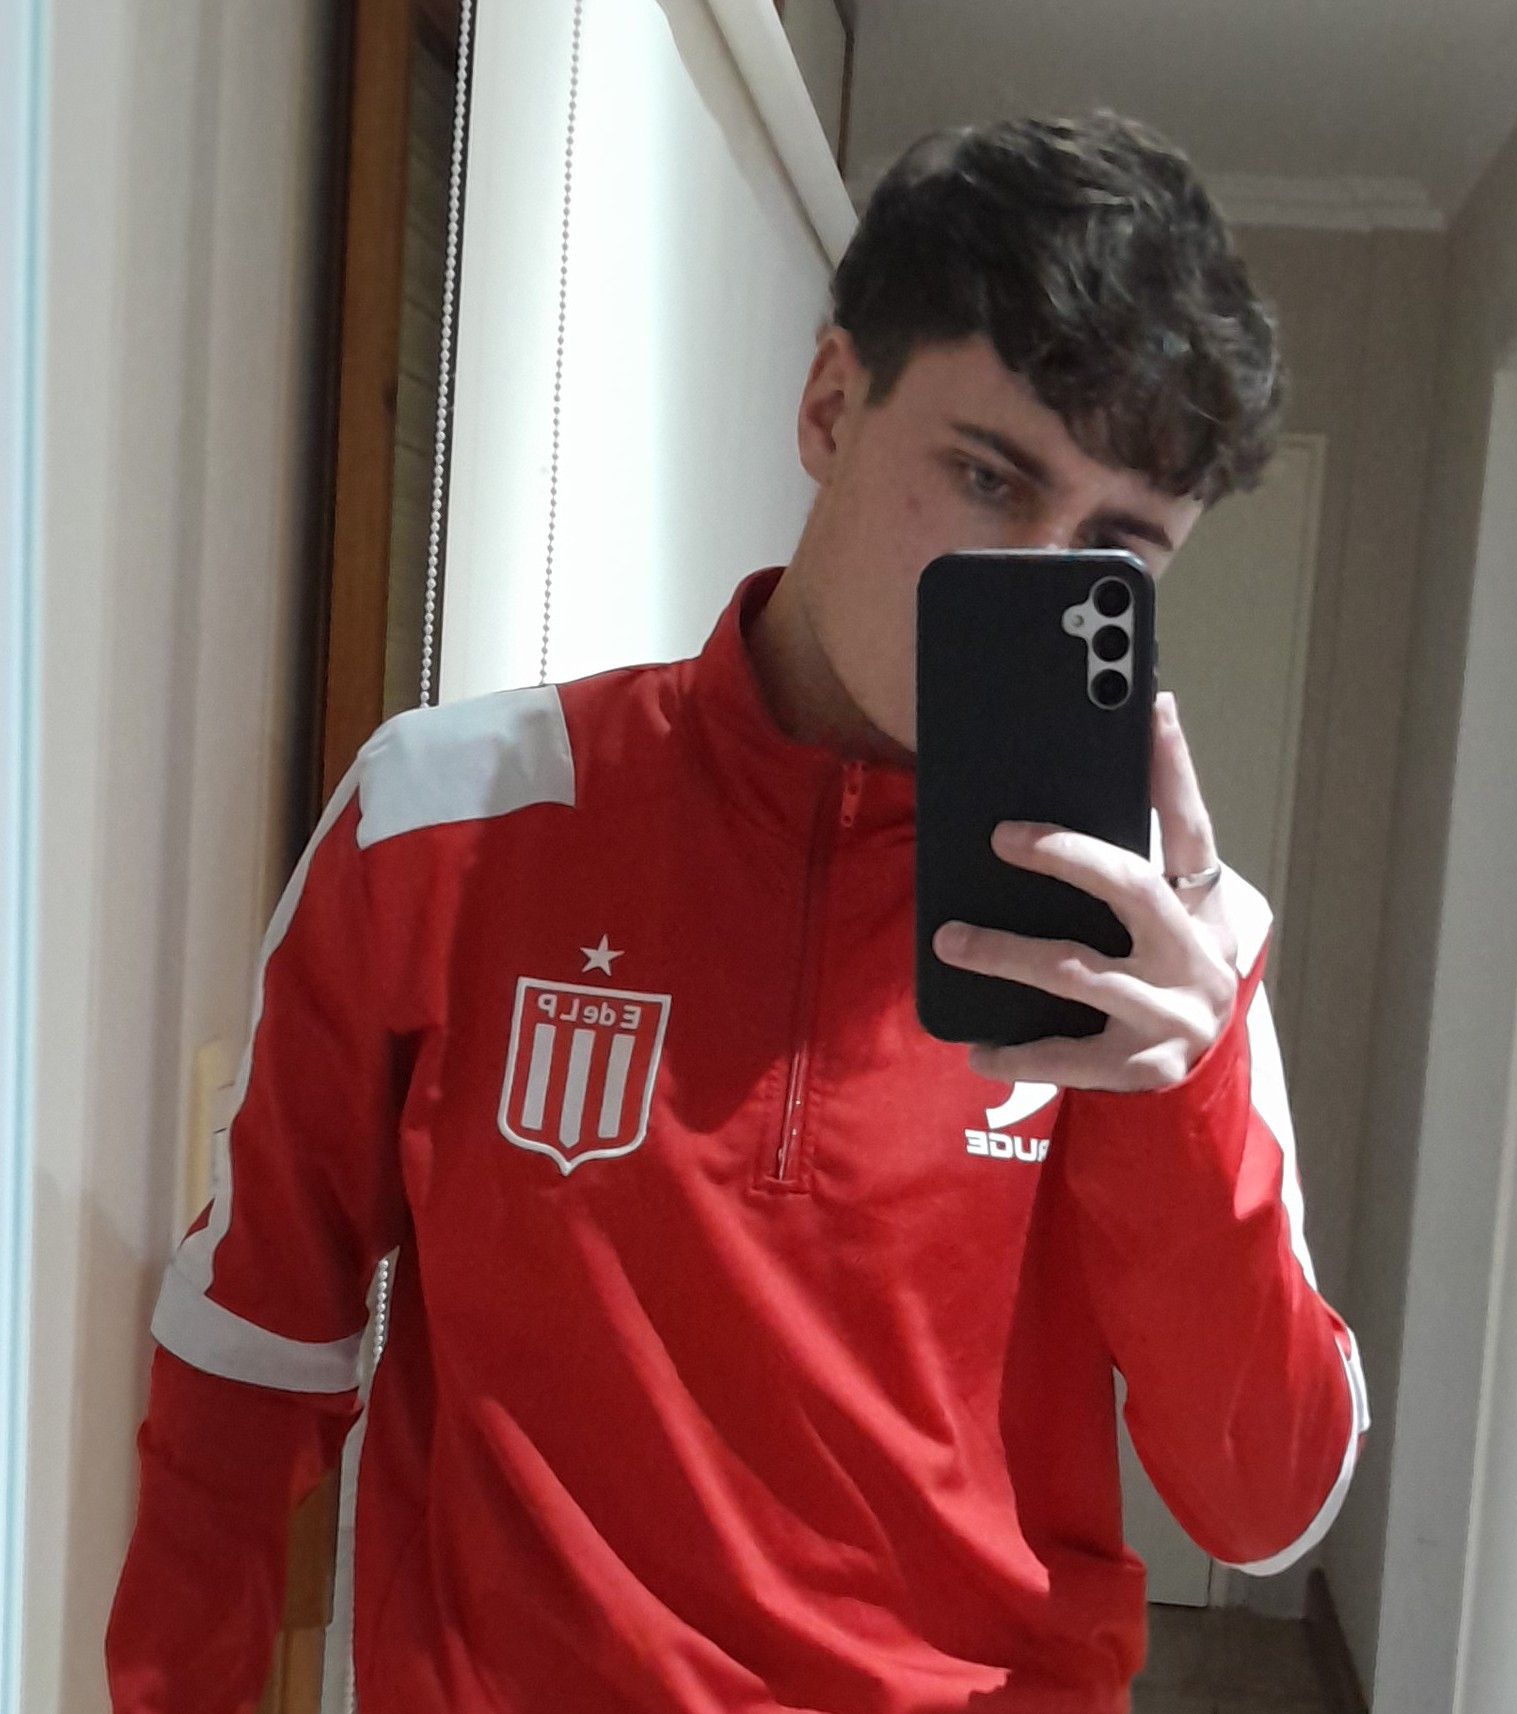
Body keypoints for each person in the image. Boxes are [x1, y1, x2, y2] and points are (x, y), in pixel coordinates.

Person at [108, 113, 1368, 1713]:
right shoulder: (451, 817)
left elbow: (1261, 1507)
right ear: (830, 403)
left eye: (1114, 547)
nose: (1028, 576)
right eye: (988, 476)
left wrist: (1173, 1101)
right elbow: (253, 1341)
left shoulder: (1164, 952)